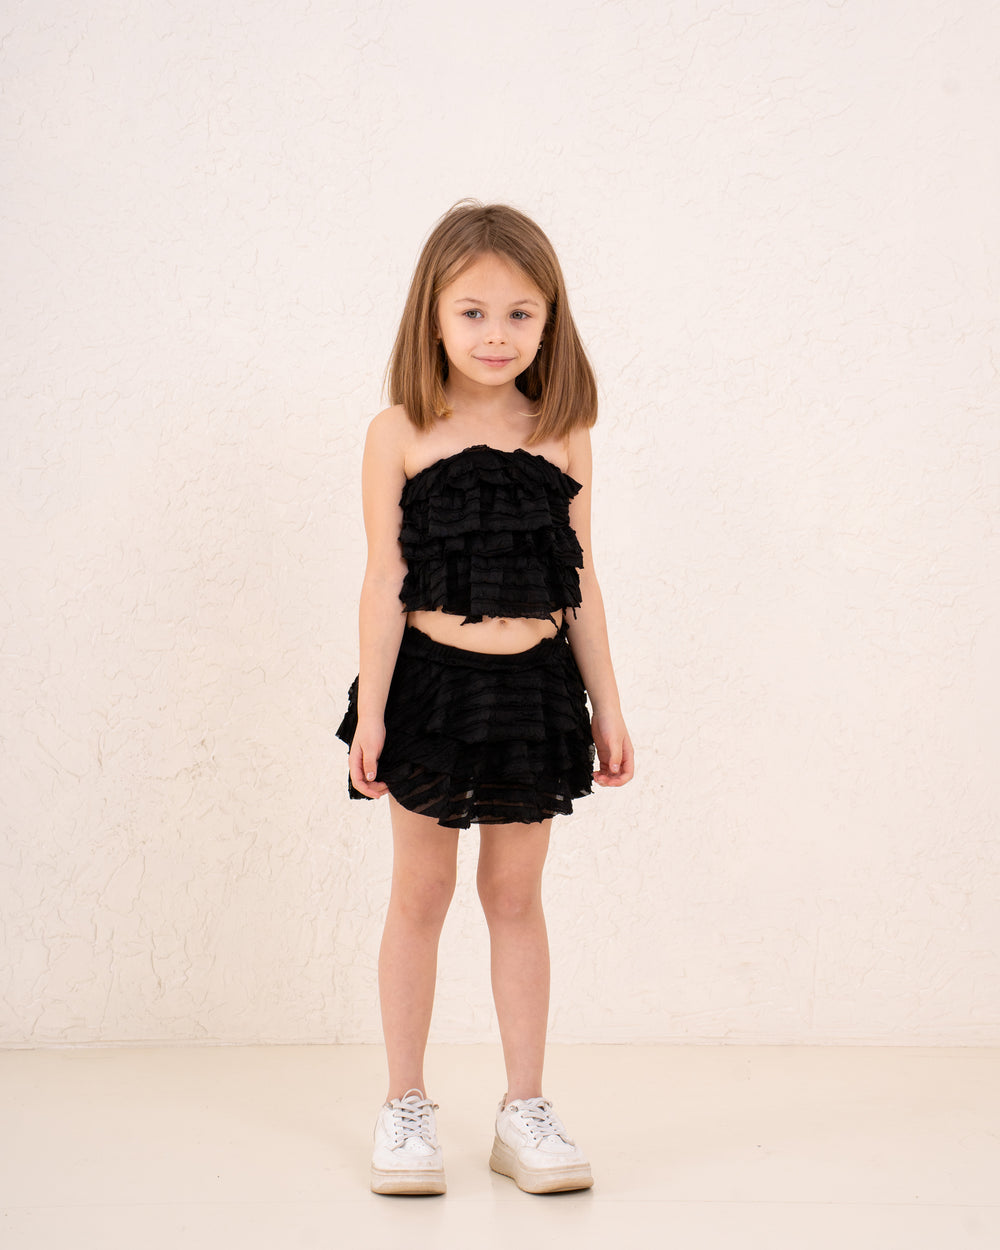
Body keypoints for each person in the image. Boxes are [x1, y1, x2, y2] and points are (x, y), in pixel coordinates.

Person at [337, 201, 634, 1196]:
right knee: (419, 895)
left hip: (534, 695)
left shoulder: (564, 432)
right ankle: (405, 1103)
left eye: (520, 314)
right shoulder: (398, 433)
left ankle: (524, 1108)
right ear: (432, 315)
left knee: (514, 897)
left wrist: (608, 704)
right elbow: (384, 578)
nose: (496, 335)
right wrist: (373, 710)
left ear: (551, 320)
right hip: (431, 689)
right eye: (472, 312)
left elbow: (579, 578)